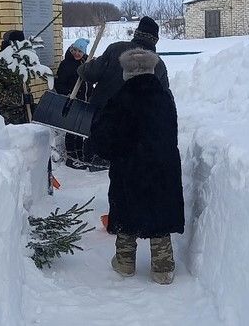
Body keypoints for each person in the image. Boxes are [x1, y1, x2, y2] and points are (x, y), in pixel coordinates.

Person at [89, 48, 184, 285]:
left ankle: (125, 263)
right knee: (160, 215)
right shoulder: (164, 98)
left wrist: (112, 152)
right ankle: (163, 268)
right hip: (162, 169)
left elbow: (103, 138)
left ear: (127, 73)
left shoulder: (119, 99)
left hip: (128, 170)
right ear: (152, 70)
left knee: (126, 214)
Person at [77, 16, 170, 170]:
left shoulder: (115, 49)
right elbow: (164, 101)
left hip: (101, 123)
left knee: (93, 171)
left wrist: (83, 68)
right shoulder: (158, 65)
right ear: (155, 41)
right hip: (133, 133)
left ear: (136, 33)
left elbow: (91, 73)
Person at [54, 38, 92, 169]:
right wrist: (68, 93)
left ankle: (80, 155)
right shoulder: (66, 64)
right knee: (71, 129)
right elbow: (59, 83)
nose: (76, 53)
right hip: (72, 100)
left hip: (84, 101)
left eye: (80, 51)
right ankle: (71, 157)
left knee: (80, 130)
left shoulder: (86, 63)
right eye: (74, 50)